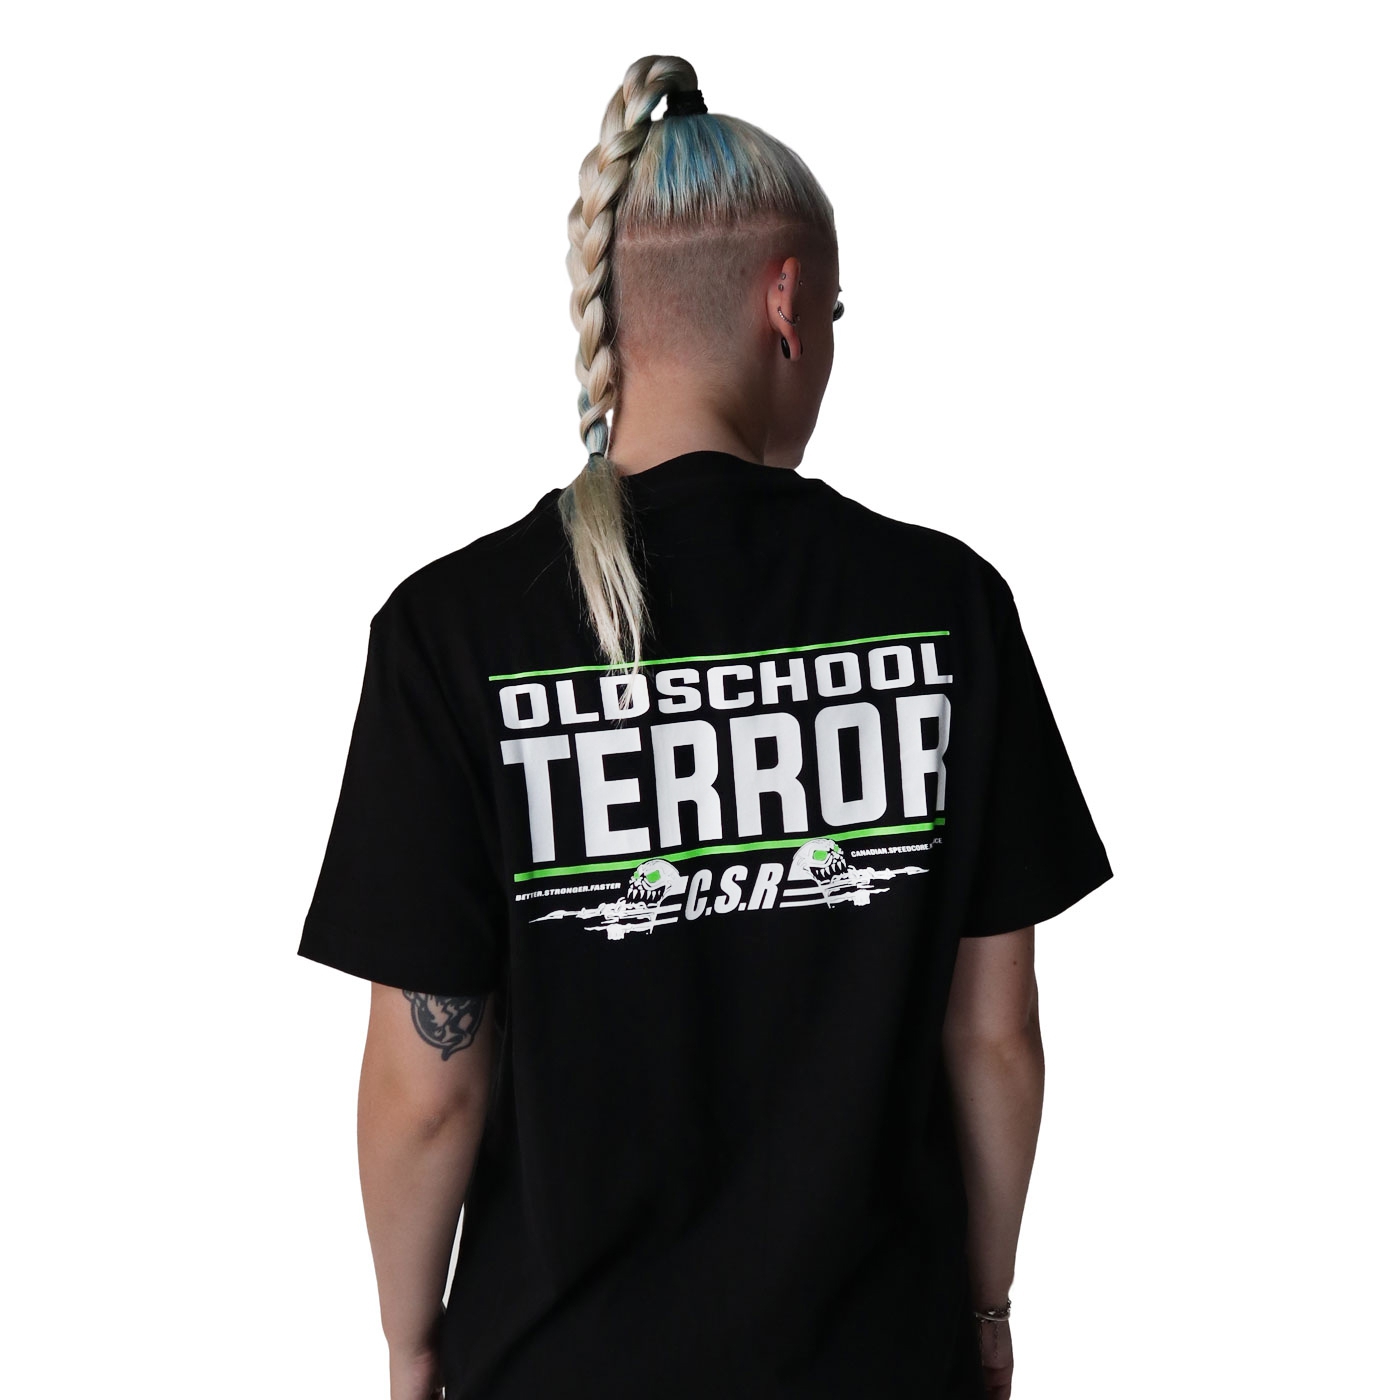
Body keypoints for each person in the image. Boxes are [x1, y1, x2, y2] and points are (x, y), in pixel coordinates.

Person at [298, 53, 1112, 1400]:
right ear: (784, 301)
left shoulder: (453, 630)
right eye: (833, 311)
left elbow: (428, 1085)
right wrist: (983, 1309)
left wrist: (408, 1341)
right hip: (876, 1366)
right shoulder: (947, 607)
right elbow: (995, 1040)